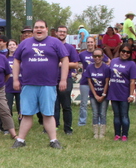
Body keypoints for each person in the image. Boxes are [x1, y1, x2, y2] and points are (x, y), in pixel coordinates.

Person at [10, 20, 69, 149]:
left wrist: (63, 79)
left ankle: (53, 140)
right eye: (36, 27)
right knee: (26, 114)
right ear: (33, 30)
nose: (39, 29)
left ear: (47, 29)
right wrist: (15, 79)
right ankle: (20, 140)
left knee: (48, 114)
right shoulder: (25, 43)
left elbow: (65, 59)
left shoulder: (55, 42)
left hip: (48, 84)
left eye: (42, 27)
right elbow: (16, 61)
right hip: (28, 84)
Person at [52, 26, 80, 134]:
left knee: (66, 105)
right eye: (60, 31)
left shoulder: (70, 48)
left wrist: (62, 64)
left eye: (64, 32)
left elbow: (76, 64)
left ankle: (68, 128)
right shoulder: (52, 46)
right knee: (53, 105)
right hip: (52, 80)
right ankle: (54, 126)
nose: (62, 33)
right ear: (56, 33)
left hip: (66, 79)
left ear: (66, 34)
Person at [108, 44, 136, 141]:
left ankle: (124, 134)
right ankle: (117, 134)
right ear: (120, 51)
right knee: (116, 115)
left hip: (124, 93)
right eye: (123, 51)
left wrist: (131, 94)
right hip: (114, 92)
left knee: (124, 115)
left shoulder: (132, 64)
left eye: (128, 52)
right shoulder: (113, 61)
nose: (125, 54)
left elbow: (133, 81)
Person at [78, 37, 109, 127]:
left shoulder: (98, 53)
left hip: (98, 82)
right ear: (86, 43)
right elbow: (77, 63)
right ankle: (82, 122)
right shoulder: (82, 54)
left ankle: (99, 122)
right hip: (85, 81)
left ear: (94, 43)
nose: (90, 44)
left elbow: (108, 62)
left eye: (91, 42)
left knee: (97, 102)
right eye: (88, 42)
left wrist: (102, 70)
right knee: (83, 103)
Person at [84, 49, 111, 139]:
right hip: (93, 94)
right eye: (95, 56)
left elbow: (107, 82)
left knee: (102, 113)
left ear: (103, 57)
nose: (97, 58)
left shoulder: (106, 68)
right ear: (92, 57)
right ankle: (96, 132)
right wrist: (95, 95)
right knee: (95, 113)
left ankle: (102, 132)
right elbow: (90, 82)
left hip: (104, 94)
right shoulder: (89, 67)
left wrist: (103, 95)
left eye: (99, 56)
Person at [5, 39, 21, 122]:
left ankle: (22, 123)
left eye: (13, 44)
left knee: (21, 108)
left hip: (20, 86)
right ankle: (9, 126)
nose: (12, 46)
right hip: (8, 86)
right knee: (8, 107)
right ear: (7, 47)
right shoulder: (5, 58)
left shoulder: (21, 57)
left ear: (17, 46)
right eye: (10, 45)